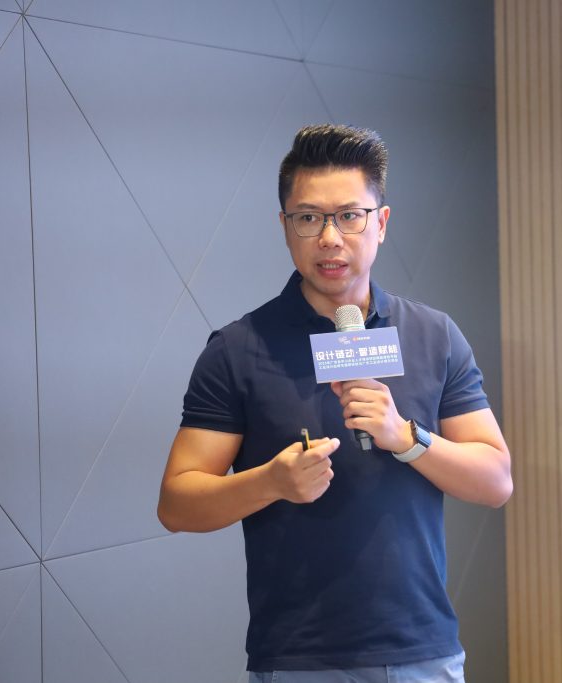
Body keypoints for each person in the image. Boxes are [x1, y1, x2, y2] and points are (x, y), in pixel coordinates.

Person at [157, 124, 512, 683]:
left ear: (381, 223)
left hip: (424, 654)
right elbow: (177, 504)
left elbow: (496, 481)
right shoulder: (237, 349)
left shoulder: (433, 335)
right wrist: (270, 482)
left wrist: (407, 438)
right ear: (285, 227)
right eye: (309, 217)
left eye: (350, 216)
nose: (329, 237)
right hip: (299, 659)